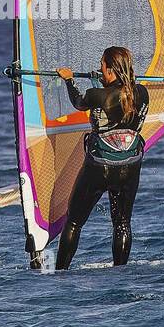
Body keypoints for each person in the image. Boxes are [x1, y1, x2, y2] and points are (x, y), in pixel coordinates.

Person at [53, 46, 150, 270]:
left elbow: (79, 102)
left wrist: (68, 80)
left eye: (102, 65)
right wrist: (101, 81)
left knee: (75, 222)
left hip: (99, 168)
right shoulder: (142, 93)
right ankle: (120, 271)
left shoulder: (97, 95)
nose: (100, 68)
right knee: (122, 223)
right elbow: (117, 101)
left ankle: (60, 273)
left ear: (110, 69)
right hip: (130, 167)